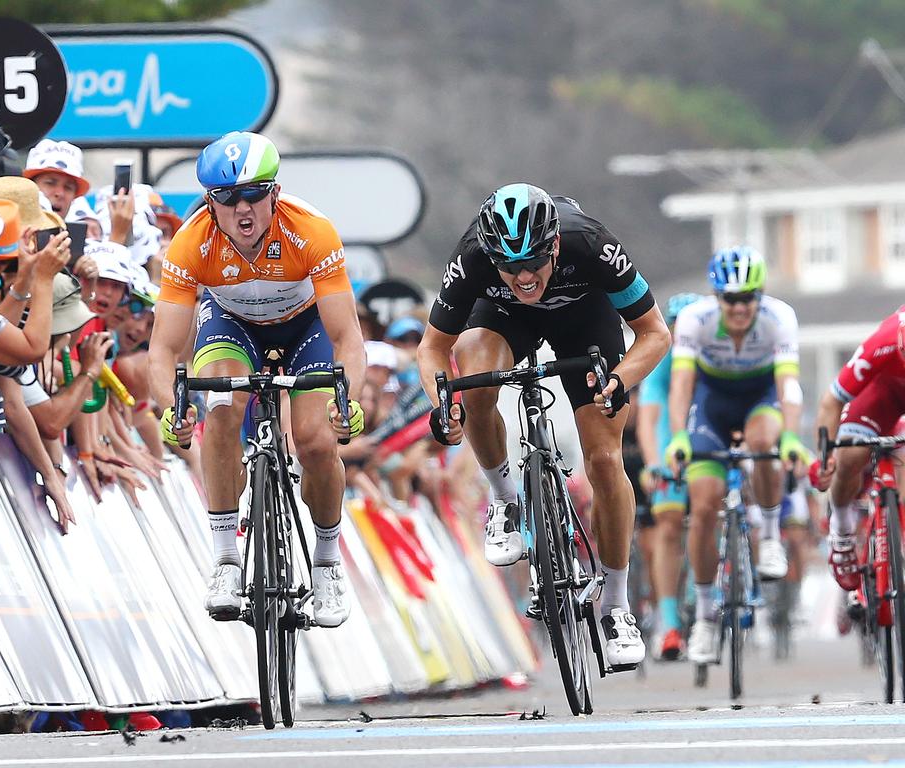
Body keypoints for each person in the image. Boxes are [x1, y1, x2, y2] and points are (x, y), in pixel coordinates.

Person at [416, 184, 670, 667]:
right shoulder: (472, 256)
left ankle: (616, 606)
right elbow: (431, 350)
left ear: (554, 244)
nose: (524, 276)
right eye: (509, 267)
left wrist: (619, 380)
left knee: (604, 457)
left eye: (533, 262)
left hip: (584, 319)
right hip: (502, 319)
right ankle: (506, 499)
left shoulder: (591, 244)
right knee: (471, 373)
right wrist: (443, 402)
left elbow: (655, 333)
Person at [148, 131, 366, 627]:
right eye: (226, 198)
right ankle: (226, 558)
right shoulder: (190, 244)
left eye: (252, 195)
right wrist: (172, 408)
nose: (241, 210)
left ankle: (328, 560)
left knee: (313, 441)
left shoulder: (311, 231)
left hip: (306, 328)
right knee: (221, 407)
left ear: (274, 192)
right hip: (232, 326)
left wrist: (344, 396)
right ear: (209, 201)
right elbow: (161, 350)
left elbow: (348, 338)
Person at [664, 246, 807, 664]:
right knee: (704, 505)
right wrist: (678, 437)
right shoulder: (695, 320)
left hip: (761, 396)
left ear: (760, 295)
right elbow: (682, 384)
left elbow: (789, 386)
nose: (740, 307)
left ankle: (767, 537)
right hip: (712, 403)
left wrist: (792, 437)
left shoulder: (779, 318)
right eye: (730, 298)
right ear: (716, 297)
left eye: (748, 297)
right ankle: (706, 618)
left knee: (766, 443)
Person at [812, 306, 905, 591]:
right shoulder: (883, 342)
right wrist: (825, 457)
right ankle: (841, 530)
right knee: (850, 455)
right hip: (881, 393)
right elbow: (831, 402)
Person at [636, 292, 701, 661]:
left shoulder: (712, 351)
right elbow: (649, 419)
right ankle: (670, 622)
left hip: (705, 431)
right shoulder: (665, 358)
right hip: (669, 442)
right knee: (669, 523)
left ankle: (703, 590)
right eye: (677, 326)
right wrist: (652, 463)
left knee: (712, 508)